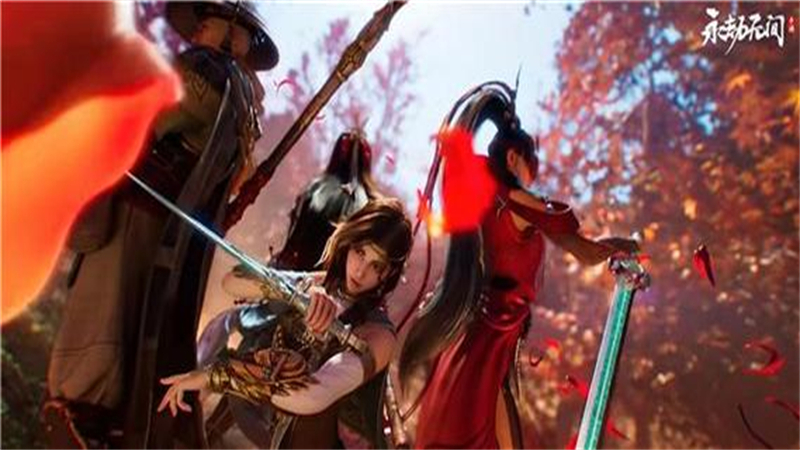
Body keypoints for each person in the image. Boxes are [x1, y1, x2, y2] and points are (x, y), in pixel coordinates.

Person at [42, 2, 278, 448]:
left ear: (235, 32)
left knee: (97, 332)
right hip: (166, 229)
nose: (199, 26)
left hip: (136, 214)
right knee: (130, 335)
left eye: (209, 19)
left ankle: (85, 413)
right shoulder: (244, 100)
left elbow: (143, 117)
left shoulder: (203, 72)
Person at [399, 125, 639, 449]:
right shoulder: (515, 200)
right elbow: (583, 249)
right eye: (531, 165)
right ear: (513, 158)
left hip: (481, 333)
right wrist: (624, 245)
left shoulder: (485, 197)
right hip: (491, 333)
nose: (532, 177)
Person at [160, 198, 414, 449]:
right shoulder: (315, 283)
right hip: (269, 426)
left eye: (376, 265)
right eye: (360, 252)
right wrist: (297, 294)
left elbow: (311, 397)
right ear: (349, 243)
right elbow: (232, 282)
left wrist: (217, 375)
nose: (360, 271)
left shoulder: (378, 335)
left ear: (389, 272)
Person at [200, 130, 381, 444]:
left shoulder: (318, 190)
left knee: (246, 343)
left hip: (303, 292)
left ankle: (210, 427)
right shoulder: (367, 207)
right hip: (325, 301)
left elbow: (295, 245)